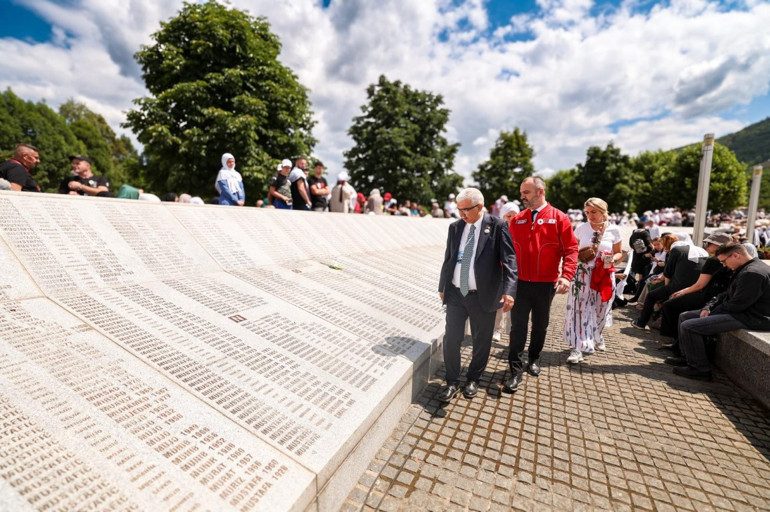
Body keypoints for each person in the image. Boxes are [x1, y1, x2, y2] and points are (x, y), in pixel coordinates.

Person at [438, 187, 517, 401]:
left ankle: (473, 379)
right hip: (456, 293)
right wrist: (442, 286)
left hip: (483, 295)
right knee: (451, 338)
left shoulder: (497, 226)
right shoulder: (455, 227)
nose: (461, 214)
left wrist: (509, 291)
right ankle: (452, 380)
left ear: (480, 206)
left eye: (465, 210)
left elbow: (510, 259)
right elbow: (449, 258)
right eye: (459, 209)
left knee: (481, 341)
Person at [504, 176, 578, 392]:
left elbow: (571, 249)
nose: (522, 196)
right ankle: (515, 370)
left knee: (540, 325)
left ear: (540, 192)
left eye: (526, 192)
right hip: (519, 284)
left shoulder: (560, 218)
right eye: (521, 192)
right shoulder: (518, 219)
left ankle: (534, 358)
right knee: (517, 327)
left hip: (545, 285)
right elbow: (507, 251)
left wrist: (566, 275)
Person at [672, 242, 770, 380]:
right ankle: (688, 357)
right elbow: (726, 295)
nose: (724, 265)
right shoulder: (746, 268)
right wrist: (708, 307)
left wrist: (711, 313)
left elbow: (737, 304)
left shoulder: (753, 273)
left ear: (736, 255)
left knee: (689, 326)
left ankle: (699, 369)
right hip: (742, 312)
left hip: (752, 317)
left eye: (724, 261)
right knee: (685, 316)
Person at [564, 198, 623, 363]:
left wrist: (611, 259)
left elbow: (619, 252)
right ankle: (577, 347)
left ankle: (597, 334)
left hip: (604, 275)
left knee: (601, 310)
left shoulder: (614, 230)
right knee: (580, 311)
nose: (590, 216)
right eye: (587, 212)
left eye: (593, 212)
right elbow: (571, 249)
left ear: (603, 211)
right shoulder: (581, 228)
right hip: (582, 274)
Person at [658, 232, 733, 359]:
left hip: (708, 298)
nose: (706, 246)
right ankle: (678, 344)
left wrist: (682, 292)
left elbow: (700, 285)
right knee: (676, 307)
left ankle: (680, 346)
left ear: (718, 246)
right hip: (719, 297)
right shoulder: (727, 259)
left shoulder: (713, 261)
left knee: (670, 305)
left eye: (709, 243)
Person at [632, 234, 707, 329]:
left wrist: (666, 290)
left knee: (651, 296)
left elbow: (668, 273)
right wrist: (661, 279)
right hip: (697, 288)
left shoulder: (676, 250)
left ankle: (641, 323)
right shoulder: (701, 251)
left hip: (679, 286)